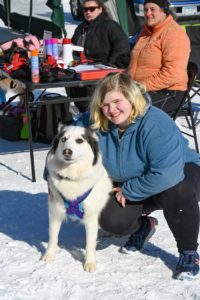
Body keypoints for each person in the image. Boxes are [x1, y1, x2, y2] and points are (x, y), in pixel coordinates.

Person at [75, 72, 200, 280]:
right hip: (130, 181)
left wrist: (129, 190)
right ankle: (144, 226)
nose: (112, 110)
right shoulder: (94, 121)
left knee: (176, 190)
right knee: (111, 219)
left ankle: (188, 252)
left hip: (179, 174)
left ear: (132, 98)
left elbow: (167, 174)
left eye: (117, 101)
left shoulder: (155, 123)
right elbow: (65, 145)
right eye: (105, 104)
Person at [128, 0, 191, 114]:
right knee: (107, 99)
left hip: (168, 91)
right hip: (139, 88)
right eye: (145, 9)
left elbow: (173, 74)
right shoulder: (145, 31)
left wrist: (141, 85)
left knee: (124, 107)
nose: (148, 13)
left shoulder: (174, 34)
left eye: (152, 9)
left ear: (164, 11)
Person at [70, 0, 130, 113]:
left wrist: (109, 66)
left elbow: (122, 47)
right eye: (85, 9)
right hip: (81, 71)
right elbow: (73, 45)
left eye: (92, 9)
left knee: (89, 104)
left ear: (100, 9)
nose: (88, 12)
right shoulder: (82, 27)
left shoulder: (109, 26)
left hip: (101, 75)